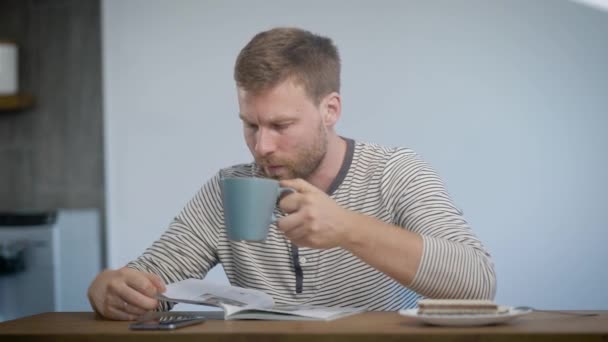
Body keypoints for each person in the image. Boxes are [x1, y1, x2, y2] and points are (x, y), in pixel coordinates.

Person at [88, 27, 496, 320]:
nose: (262, 146)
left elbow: (477, 284)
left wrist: (349, 228)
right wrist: (115, 289)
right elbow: (153, 284)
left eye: (281, 126)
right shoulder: (229, 188)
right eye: (251, 124)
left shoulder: (396, 173)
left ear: (330, 110)